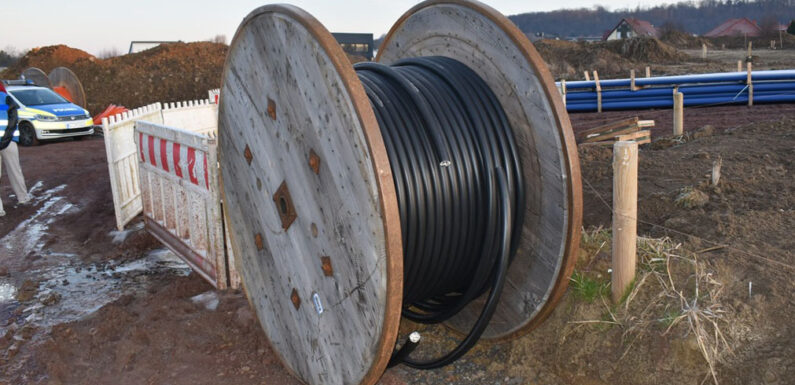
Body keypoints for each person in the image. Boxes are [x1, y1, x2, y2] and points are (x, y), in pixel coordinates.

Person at [0, 82, 30, 216]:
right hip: (8, 142)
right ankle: (23, 198)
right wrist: (5, 140)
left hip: (7, 141)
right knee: (15, 171)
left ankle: (0, 209)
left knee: (13, 171)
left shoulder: (5, 98)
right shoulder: (6, 98)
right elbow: (13, 120)